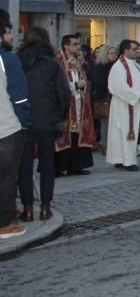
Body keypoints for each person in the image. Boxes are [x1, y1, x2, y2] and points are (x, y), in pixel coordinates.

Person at [17, 27, 71, 222]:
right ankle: (46, 206)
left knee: (25, 165)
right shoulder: (53, 64)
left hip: (25, 119)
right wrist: (60, 116)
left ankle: (28, 208)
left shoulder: (20, 62)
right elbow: (64, 93)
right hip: (47, 119)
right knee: (47, 164)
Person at [0, 11, 31, 240]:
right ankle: (5, 222)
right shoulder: (8, 59)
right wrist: (25, 121)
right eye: (9, 32)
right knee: (6, 176)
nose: (12, 36)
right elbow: (19, 97)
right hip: (7, 127)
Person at [106, 40, 140, 171]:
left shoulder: (136, 65)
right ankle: (125, 161)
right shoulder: (118, 67)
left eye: (138, 48)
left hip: (134, 104)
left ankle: (125, 158)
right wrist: (138, 95)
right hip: (122, 104)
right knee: (120, 131)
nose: (138, 51)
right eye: (134, 49)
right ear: (125, 50)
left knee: (128, 131)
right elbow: (118, 87)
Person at [54, 33, 95, 176]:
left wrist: (82, 86)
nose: (78, 47)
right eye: (75, 44)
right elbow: (58, 84)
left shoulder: (77, 61)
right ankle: (58, 168)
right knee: (62, 135)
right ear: (66, 46)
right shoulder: (58, 61)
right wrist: (77, 85)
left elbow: (83, 80)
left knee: (77, 134)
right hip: (65, 104)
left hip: (79, 103)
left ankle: (75, 166)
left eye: (78, 44)